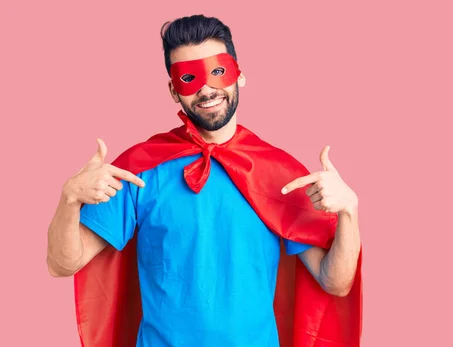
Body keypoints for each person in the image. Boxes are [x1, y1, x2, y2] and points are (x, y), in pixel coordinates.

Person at [46, 14, 363, 347]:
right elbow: (62, 263)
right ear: (173, 90)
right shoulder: (138, 169)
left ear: (239, 75)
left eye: (218, 71)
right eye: (188, 77)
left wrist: (349, 212)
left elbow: (335, 282)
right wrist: (69, 199)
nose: (206, 88)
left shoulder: (282, 174)